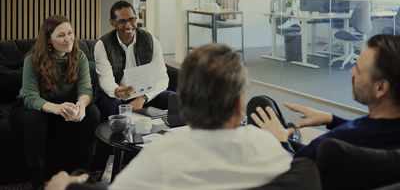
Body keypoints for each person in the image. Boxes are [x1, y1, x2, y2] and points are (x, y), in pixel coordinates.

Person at [45, 43, 293, 190]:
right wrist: (283, 140)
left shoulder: (160, 160)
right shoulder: (272, 151)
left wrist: (68, 185)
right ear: (240, 105)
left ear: (182, 102)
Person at [250, 34, 400, 161]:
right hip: (312, 158)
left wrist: (280, 141)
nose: (351, 72)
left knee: (259, 105)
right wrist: (331, 119)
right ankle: (289, 136)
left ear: (381, 88)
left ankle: (286, 137)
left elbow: (294, 173)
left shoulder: (339, 141)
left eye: (359, 70)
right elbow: (372, 130)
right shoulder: (387, 131)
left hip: (295, 164)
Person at [8, 15, 100, 189]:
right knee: (35, 120)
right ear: (49, 40)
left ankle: (80, 176)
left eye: (70, 33)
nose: (68, 39)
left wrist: (81, 105)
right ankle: (38, 182)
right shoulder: (32, 59)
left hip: (64, 109)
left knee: (93, 112)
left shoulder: (79, 56)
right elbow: (29, 97)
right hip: (34, 109)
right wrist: (56, 108)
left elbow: (86, 89)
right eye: (61, 35)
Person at [94, 0, 174, 119]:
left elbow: (162, 79)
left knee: (175, 99)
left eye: (132, 19)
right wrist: (116, 91)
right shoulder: (103, 45)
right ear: (112, 23)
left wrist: (143, 98)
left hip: (147, 94)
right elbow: (105, 79)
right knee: (109, 105)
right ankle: (116, 136)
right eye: (122, 21)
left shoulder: (150, 40)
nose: (128, 25)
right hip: (119, 96)